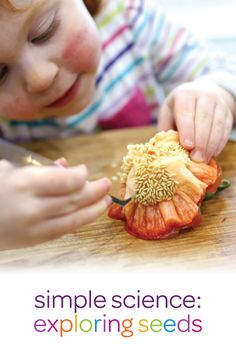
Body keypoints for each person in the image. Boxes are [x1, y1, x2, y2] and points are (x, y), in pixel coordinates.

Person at [0, 0, 235, 249]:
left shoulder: (133, 21)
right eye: (0, 74)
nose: (41, 77)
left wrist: (219, 92)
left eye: (44, 30)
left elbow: (226, 68)